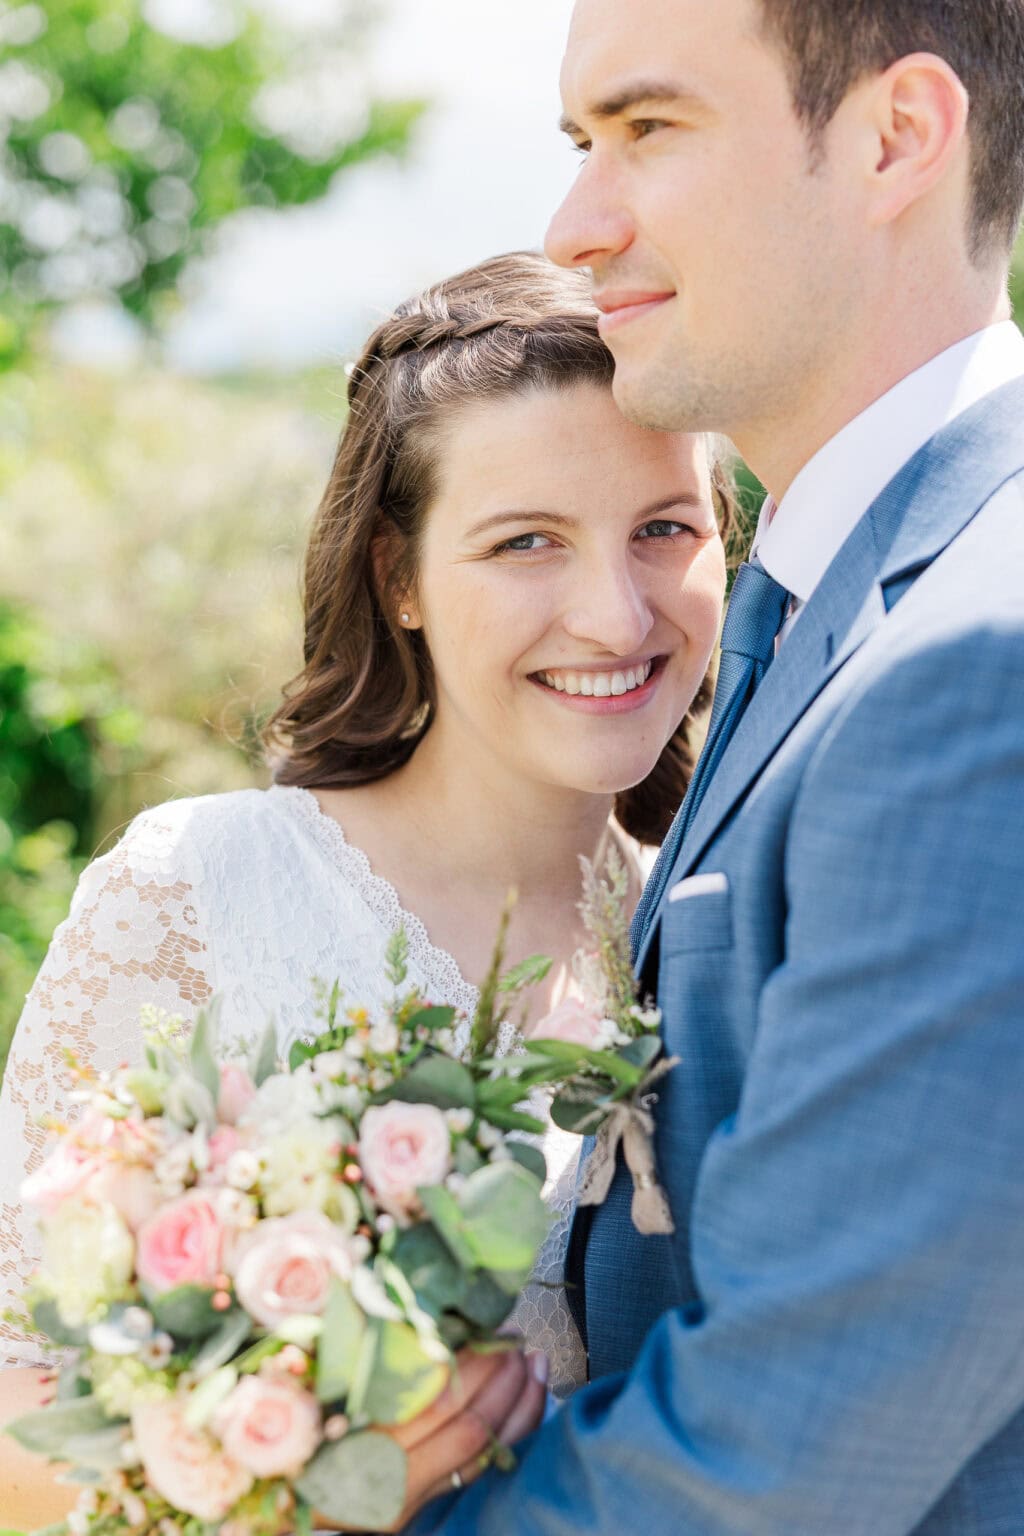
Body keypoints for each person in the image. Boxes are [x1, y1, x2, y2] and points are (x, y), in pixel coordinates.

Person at [400, 0, 1024, 1533]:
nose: (576, 223)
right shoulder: (823, 599)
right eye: (580, 140)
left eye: (649, 128)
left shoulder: (974, 661)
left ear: (897, 136)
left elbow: (782, 1453)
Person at [0, 251, 730, 1530]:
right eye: (526, 542)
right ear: (398, 578)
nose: (616, 619)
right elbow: (18, 1413)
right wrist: (302, 1494)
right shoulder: (198, 894)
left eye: (664, 528)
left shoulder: (724, 927)